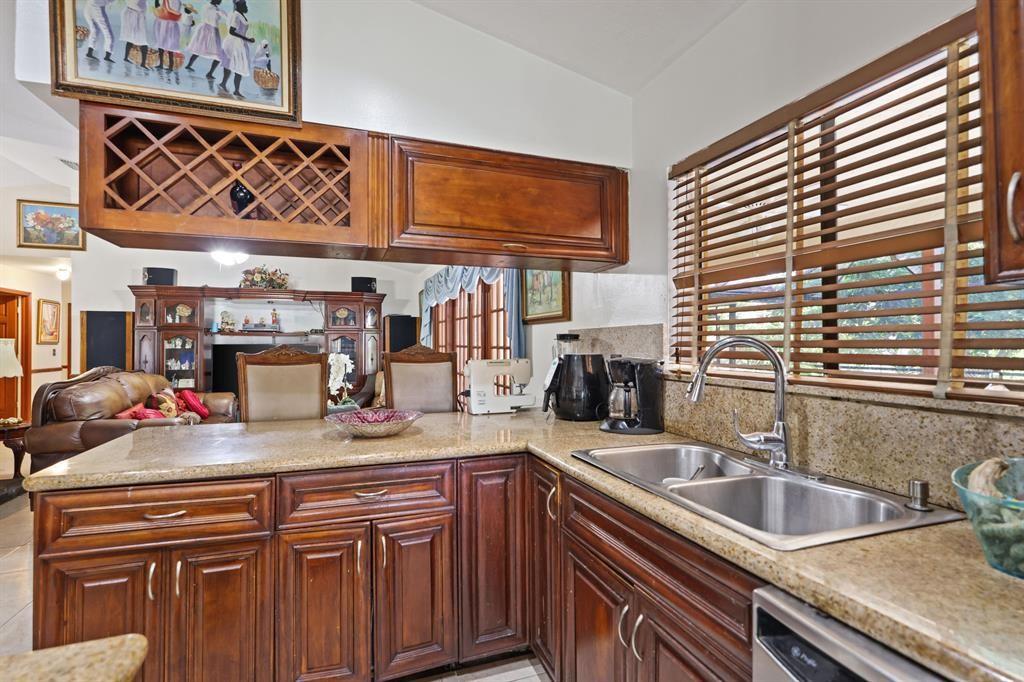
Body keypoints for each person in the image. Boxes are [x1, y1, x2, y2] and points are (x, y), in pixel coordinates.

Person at [219, 0, 255, 97]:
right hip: (233, 43)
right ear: (239, 6)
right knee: (231, 64)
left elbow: (241, 30)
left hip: (240, 43)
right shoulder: (236, 15)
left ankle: (235, 90)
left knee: (238, 66)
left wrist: (246, 39)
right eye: (244, 5)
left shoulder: (241, 14)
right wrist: (247, 39)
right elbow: (232, 31)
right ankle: (225, 84)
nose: (246, 6)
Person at [184, 0, 225, 79]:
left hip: (206, 29)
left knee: (199, 49)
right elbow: (221, 16)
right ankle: (209, 73)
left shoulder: (212, 8)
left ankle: (190, 65)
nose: (221, 1)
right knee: (217, 54)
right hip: (210, 30)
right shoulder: (213, 9)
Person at [153, 0, 191, 70]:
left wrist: (178, 14)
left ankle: (165, 65)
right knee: (168, 45)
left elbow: (168, 9)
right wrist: (178, 14)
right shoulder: (177, 2)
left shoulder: (174, 1)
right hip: (169, 23)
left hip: (166, 23)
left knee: (165, 44)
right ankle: (167, 65)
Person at [120, 0, 150, 68]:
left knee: (131, 38)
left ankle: (126, 58)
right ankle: (143, 63)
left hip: (130, 14)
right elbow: (141, 7)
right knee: (143, 41)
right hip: (136, 15)